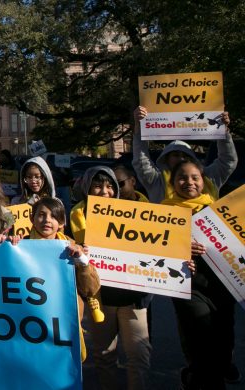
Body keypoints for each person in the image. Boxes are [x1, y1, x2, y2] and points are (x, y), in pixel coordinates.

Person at [70, 166, 150, 390]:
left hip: (132, 297)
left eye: (108, 186)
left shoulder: (136, 213)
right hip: (99, 297)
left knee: (138, 356)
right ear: (88, 188)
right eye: (97, 185)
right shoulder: (75, 215)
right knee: (104, 356)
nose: (103, 191)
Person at [162, 160, 236, 389]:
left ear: (204, 182)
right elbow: (150, 251)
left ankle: (196, 376)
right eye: (182, 177)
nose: (189, 182)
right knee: (201, 342)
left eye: (195, 177)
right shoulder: (162, 213)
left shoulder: (219, 210)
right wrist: (180, 248)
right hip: (188, 288)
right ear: (173, 183)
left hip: (223, 287)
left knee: (224, 342)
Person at [25, 197, 100, 363]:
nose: (47, 220)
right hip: (29, 325)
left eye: (54, 216)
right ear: (32, 218)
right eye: (41, 215)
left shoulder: (72, 247)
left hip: (64, 327)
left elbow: (90, 289)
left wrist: (82, 262)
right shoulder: (19, 246)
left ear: (62, 222)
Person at [132, 106, 236, 203]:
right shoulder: (156, 181)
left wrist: (223, 131)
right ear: (166, 159)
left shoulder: (208, 177)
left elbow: (228, 160)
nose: (181, 159)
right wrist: (139, 126)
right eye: (176, 155)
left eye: (186, 156)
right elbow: (141, 160)